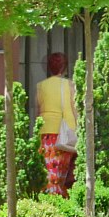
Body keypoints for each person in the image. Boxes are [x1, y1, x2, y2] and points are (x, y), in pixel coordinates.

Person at [36, 53, 78, 197]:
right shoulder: (70, 85)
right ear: (65, 68)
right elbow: (74, 108)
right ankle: (60, 201)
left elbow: (38, 109)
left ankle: (49, 200)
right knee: (62, 172)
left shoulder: (40, 86)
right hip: (64, 133)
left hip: (45, 132)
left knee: (49, 171)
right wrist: (78, 128)